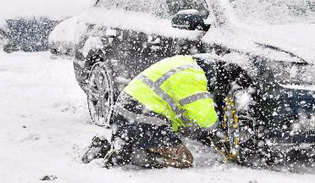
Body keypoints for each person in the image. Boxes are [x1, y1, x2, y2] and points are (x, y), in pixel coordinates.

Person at [81, 55, 221, 168]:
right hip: (144, 117)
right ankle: (127, 156)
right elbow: (205, 118)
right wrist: (220, 133)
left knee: (149, 140)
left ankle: (110, 147)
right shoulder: (195, 76)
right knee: (184, 159)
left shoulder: (182, 63)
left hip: (126, 111)